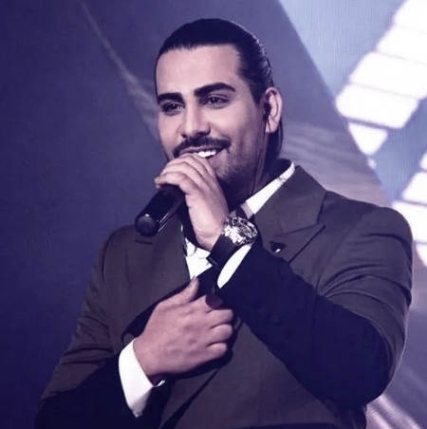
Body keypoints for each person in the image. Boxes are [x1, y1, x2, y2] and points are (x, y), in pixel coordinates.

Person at [35, 18, 412, 429]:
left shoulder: (360, 229)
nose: (191, 127)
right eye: (172, 106)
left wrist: (227, 240)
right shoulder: (125, 253)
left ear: (269, 110)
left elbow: (359, 371)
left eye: (214, 100)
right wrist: (143, 361)